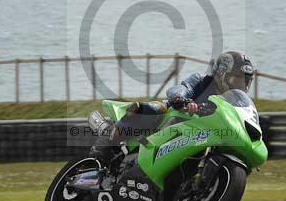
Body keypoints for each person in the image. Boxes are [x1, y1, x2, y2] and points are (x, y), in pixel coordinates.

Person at [89, 51, 255, 162]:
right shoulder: (202, 81)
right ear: (222, 73)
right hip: (178, 114)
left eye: (245, 80)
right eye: (237, 78)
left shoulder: (236, 100)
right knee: (157, 109)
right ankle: (107, 143)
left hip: (202, 133)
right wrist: (181, 99)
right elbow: (181, 88)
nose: (241, 84)